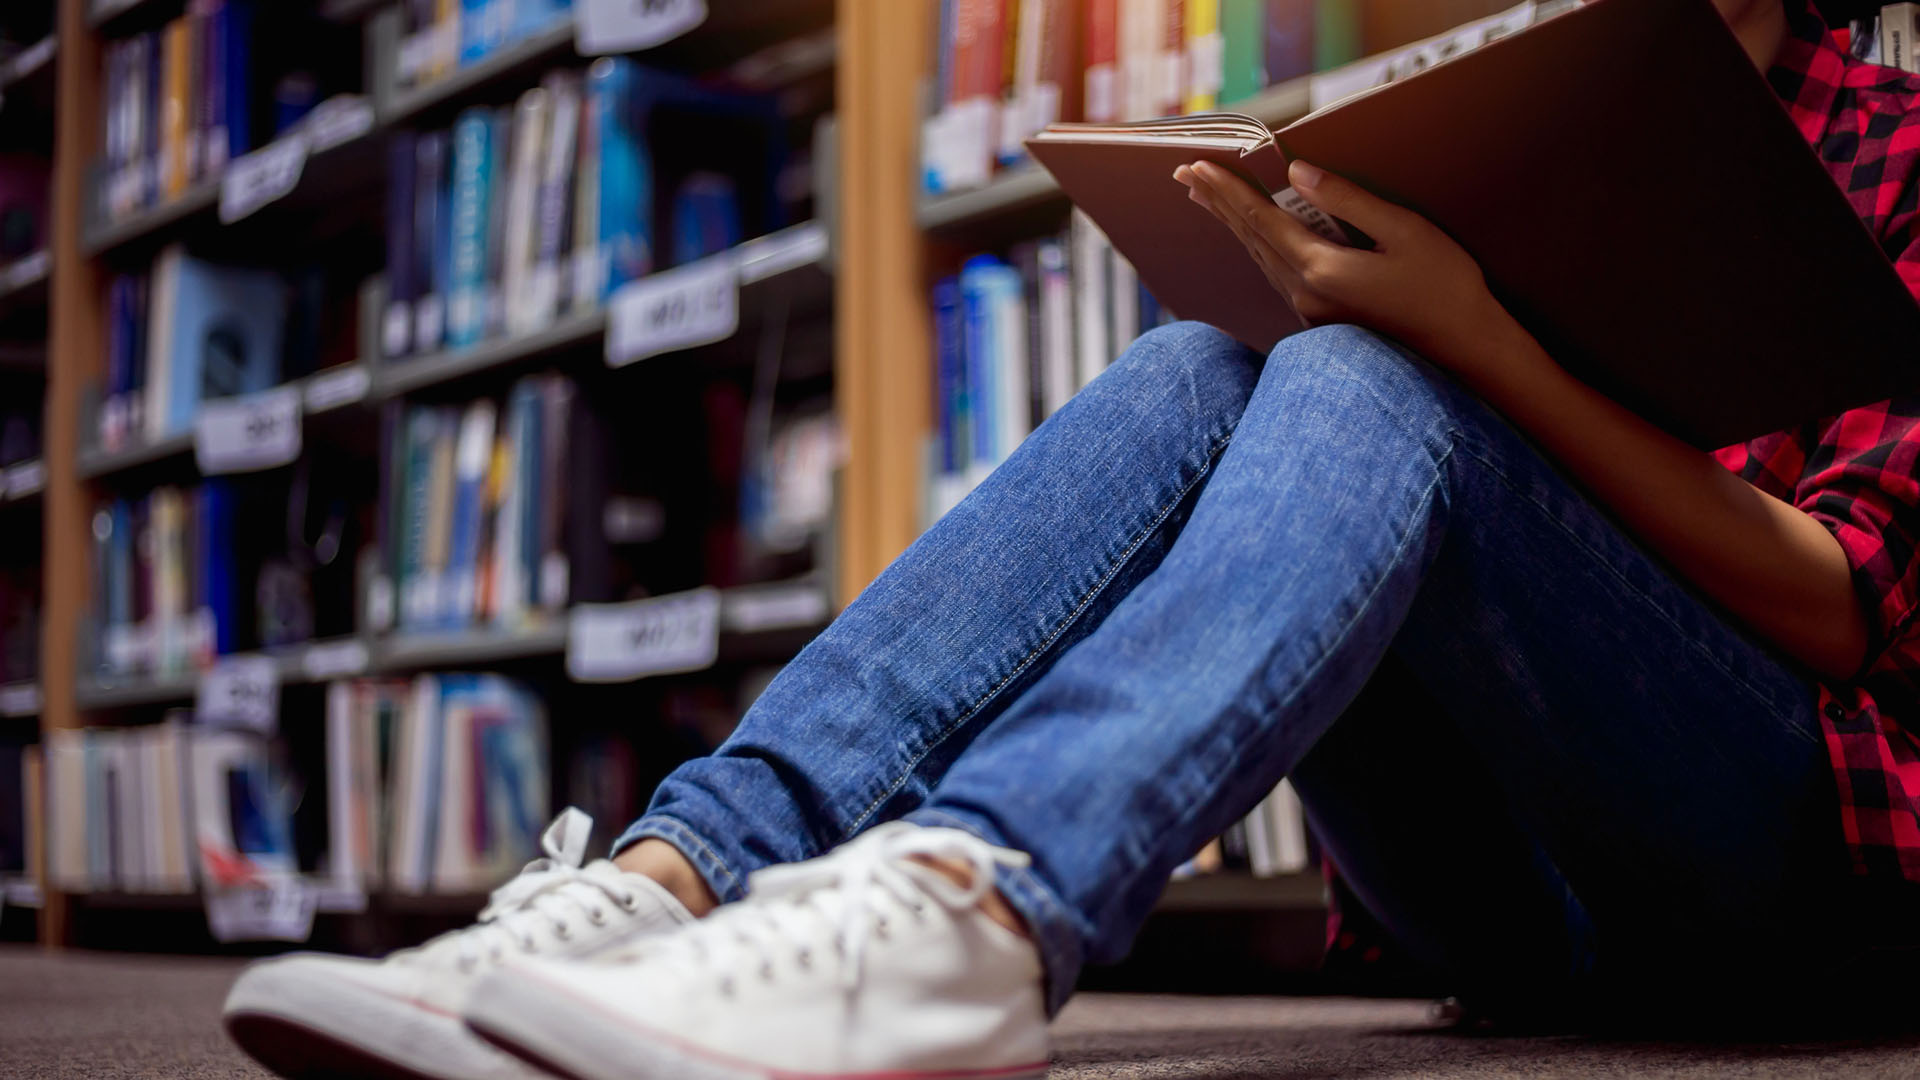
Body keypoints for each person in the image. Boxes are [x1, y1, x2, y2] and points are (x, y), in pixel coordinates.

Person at [224, 2, 1920, 1078]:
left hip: (1785, 887)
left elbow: (1846, 611)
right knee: (1212, 355)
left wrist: (1479, 343)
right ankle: (675, 881)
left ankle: (984, 897)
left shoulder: (1895, 145)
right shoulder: (1532, 107)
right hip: (1516, 914)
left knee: (1364, 365)